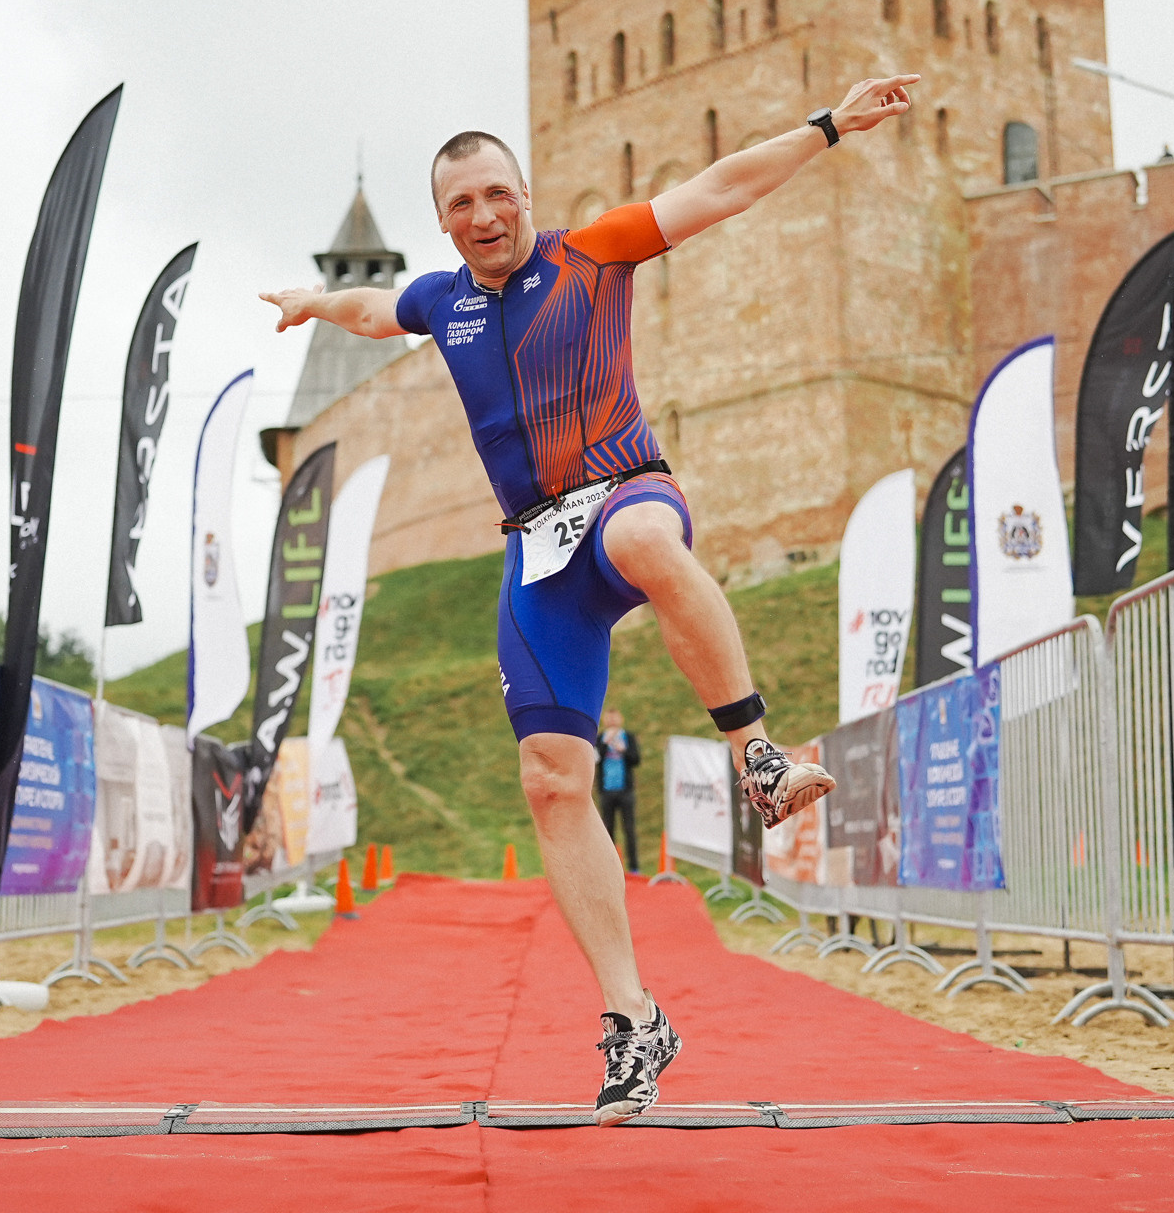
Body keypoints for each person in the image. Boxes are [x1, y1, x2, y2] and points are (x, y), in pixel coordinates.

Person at [261, 72, 916, 1121]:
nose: (483, 215)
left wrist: (832, 124)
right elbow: (373, 311)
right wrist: (312, 303)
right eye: (460, 204)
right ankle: (633, 1016)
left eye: (496, 194)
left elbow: (722, 187)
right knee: (552, 781)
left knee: (650, 539)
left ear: (526, 194)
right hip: (535, 554)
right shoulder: (441, 301)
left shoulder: (595, 250)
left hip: (622, 491)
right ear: (444, 221)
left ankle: (758, 752)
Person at [596, 708, 641, 874]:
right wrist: (604, 744)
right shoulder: (600, 738)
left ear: (620, 719)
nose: (612, 721)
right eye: (609, 718)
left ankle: (634, 867)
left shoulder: (627, 737)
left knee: (629, 829)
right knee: (608, 830)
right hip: (606, 791)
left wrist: (624, 750)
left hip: (625, 790)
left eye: (615, 717)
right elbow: (594, 759)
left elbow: (636, 759)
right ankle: (609, 869)